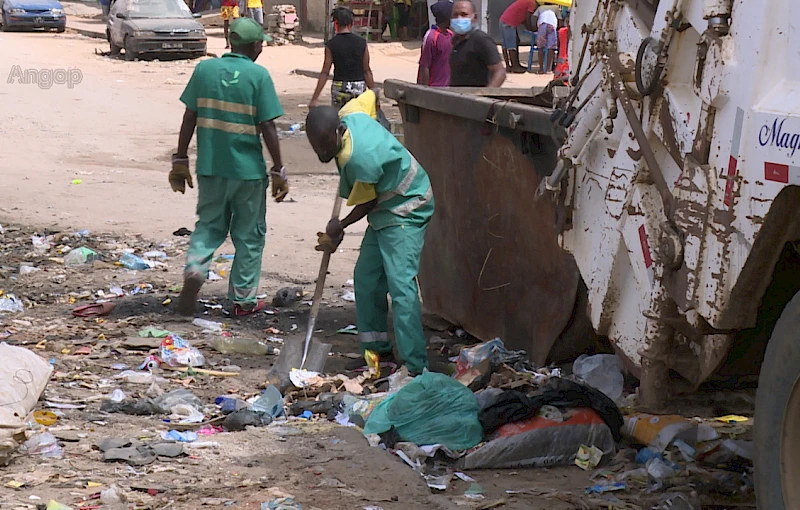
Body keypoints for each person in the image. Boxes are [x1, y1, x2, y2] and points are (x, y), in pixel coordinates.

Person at [306, 90, 435, 376]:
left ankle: (416, 367)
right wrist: (381, 123)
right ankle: (378, 354)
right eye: (316, 146)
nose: (321, 152)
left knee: (401, 288)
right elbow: (370, 95)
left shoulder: (358, 159)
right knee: (366, 280)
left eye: (326, 144)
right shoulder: (351, 111)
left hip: (407, 206)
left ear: (340, 131)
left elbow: (367, 201)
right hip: (384, 210)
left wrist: (339, 226)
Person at [170, 18, 288, 317]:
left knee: (208, 226)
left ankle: (196, 268)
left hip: (210, 166)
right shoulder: (258, 76)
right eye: (260, 43)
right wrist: (279, 169)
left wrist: (180, 159)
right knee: (249, 235)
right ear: (253, 46)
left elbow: (189, 117)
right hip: (247, 172)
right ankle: (242, 300)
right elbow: (268, 126)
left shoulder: (204, 70)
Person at [309, 7, 375, 109]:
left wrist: (314, 98)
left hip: (339, 88)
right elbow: (366, 71)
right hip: (358, 88)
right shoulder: (362, 43)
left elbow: (325, 72)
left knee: (340, 119)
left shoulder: (331, 44)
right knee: (358, 119)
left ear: (336, 24)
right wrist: (374, 95)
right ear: (351, 24)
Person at [448, 0, 506, 87]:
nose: (459, 18)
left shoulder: (481, 40)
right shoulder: (455, 40)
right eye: (455, 15)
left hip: (474, 97)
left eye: (464, 14)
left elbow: (499, 72)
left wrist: (485, 96)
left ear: (474, 17)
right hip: (457, 96)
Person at [417, 0, 453, 87]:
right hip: (435, 88)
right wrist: (426, 91)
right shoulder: (431, 37)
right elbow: (425, 66)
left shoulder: (450, 34)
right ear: (447, 17)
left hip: (449, 89)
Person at [498, 0, 537, 73]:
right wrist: (531, 28)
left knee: (509, 44)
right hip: (509, 23)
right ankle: (515, 67)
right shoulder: (532, 2)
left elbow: (522, 16)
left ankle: (510, 66)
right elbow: (527, 17)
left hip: (504, 20)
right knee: (512, 46)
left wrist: (528, 27)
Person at [535, 6, 558, 74]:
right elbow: (560, 19)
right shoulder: (556, 7)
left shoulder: (540, 7)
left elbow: (534, 17)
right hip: (552, 25)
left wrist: (534, 27)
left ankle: (541, 69)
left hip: (542, 24)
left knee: (540, 47)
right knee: (551, 47)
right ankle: (548, 69)